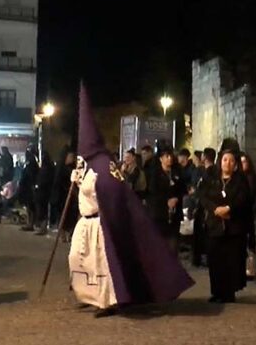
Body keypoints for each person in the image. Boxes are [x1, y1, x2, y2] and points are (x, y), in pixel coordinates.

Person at [68, 85, 193, 316]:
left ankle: (108, 300)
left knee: (102, 264)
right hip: (84, 224)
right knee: (78, 258)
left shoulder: (103, 166)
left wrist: (94, 183)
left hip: (100, 223)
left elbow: (112, 190)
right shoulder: (86, 166)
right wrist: (77, 180)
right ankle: (89, 295)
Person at [199, 147, 251, 303]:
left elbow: (243, 199)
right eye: (225, 160)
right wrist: (215, 209)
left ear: (235, 164)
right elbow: (203, 195)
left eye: (231, 160)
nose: (227, 163)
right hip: (214, 225)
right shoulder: (211, 178)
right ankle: (217, 291)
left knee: (231, 260)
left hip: (233, 227)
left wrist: (229, 208)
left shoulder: (240, 180)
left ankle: (229, 292)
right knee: (215, 260)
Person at [146, 145, 185, 252]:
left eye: (171, 156)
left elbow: (183, 189)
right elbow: (152, 193)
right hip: (160, 214)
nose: (169, 158)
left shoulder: (177, 173)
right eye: (166, 156)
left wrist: (176, 198)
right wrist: (166, 201)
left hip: (174, 214)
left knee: (173, 245)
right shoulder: (155, 175)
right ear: (160, 159)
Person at [33, 148, 56, 235]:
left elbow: (43, 180)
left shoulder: (46, 168)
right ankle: (43, 227)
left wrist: (38, 185)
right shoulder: (49, 167)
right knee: (43, 210)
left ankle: (43, 228)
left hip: (43, 192)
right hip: (45, 192)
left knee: (42, 210)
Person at [18, 148, 40, 231]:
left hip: (28, 189)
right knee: (29, 207)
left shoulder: (30, 164)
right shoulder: (31, 163)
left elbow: (30, 176)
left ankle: (30, 224)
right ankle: (30, 223)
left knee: (30, 207)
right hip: (27, 188)